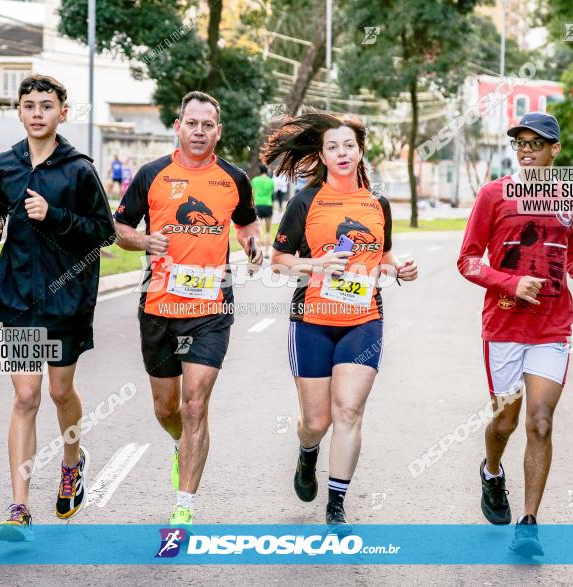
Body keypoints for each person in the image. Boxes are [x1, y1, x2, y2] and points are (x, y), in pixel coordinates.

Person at [263, 112, 418, 527]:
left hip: (363, 319)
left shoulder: (376, 203)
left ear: (360, 150)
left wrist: (398, 267)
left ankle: (336, 505)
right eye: (332, 147)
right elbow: (278, 263)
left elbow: (382, 255)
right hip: (311, 319)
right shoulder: (304, 202)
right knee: (317, 421)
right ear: (323, 155)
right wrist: (317, 264)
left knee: (348, 410)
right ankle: (307, 452)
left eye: (348, 145)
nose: (342, 152)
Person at [114, 91, 261, 526]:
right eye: (191, 123)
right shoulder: (151, 174)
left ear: (219, 131)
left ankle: (184, 507)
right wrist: (143, 240)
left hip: (211, 305)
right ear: (178, 126)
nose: (199, 132)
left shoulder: (234, 178)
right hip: (159, 304)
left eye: (207, 125)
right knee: (167, 408)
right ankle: (182, 443)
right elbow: (120, 227)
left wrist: (252, 245)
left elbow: (246, 222)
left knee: (196, 404)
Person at [0, 74, 115, 541]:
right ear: (19, 111)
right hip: (17, 296)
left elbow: (103, 231)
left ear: (62, 113)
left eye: (47, 105)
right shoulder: (3, 165)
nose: (37, 113)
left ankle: (73, 462)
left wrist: (53, 216)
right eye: (29, 105)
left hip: (66, 298)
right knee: (25, 396)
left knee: (59, 393)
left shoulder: (78, 169)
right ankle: (18, 508)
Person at [456, 112, 573, 557]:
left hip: (552, 327)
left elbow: (572, 254)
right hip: (505, 325)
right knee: (506, 422)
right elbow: (469, 261)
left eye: (537, 142)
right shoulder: (493, 195)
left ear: (555, 149)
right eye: (521, 143)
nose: (527, 149)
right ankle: (492, 471)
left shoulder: (568, 198)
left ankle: (529, 524)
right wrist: (511, 283)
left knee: (540, 421)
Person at [251, 163, 275, 251]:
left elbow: (252, 195)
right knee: (268, 231)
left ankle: (258, 251)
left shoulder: (255, 180)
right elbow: (272, 194)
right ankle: (267, 252)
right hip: (268, 205)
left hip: (258, 205)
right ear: (266, 170)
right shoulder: (271, 181)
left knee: (257, 230)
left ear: (259, 171)